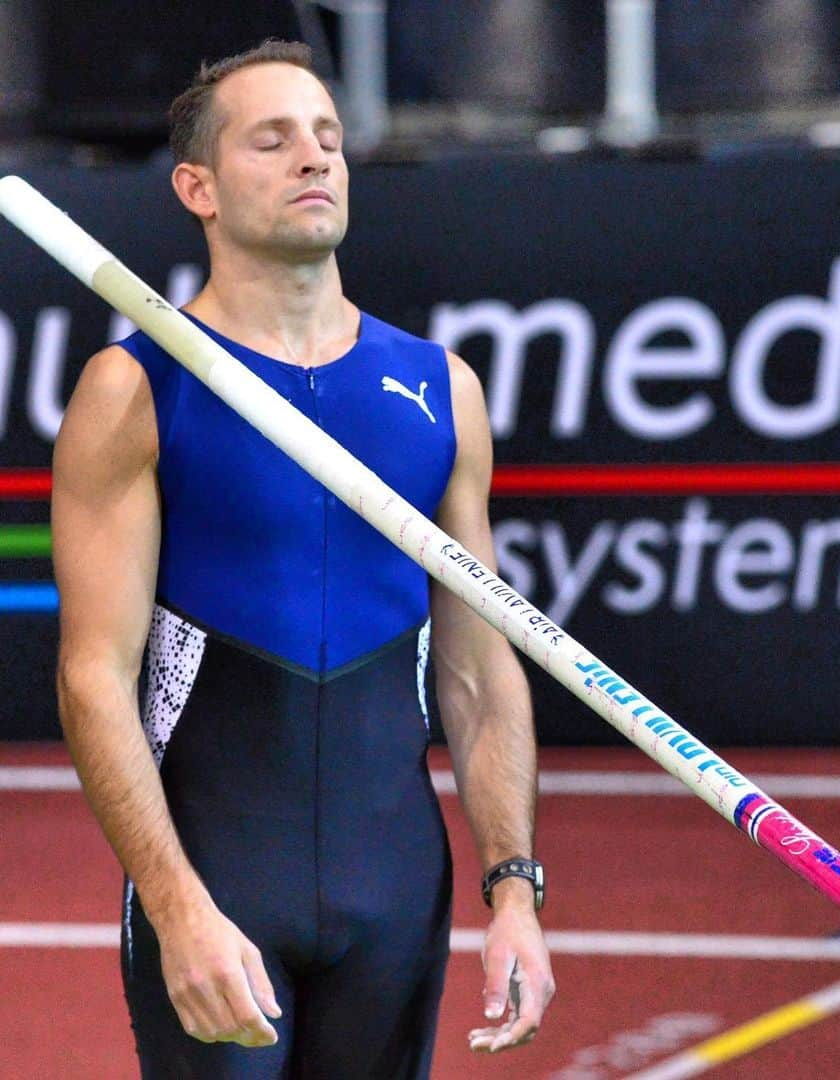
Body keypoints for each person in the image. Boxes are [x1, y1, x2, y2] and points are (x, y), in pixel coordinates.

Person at [52, 38, 554, 1079]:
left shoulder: (439, 388)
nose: (314, 158)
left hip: (397, 891)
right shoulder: (136, 390)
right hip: (220, 883)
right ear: (197, 185)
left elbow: (477, 665)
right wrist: (178, 908)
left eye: (327, 138)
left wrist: (514, 890)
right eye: (272, 140)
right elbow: (93, 676)